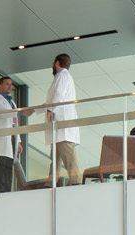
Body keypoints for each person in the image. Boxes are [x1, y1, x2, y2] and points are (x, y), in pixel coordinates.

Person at [44, 53, 80, 185]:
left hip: (63, 122)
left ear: (57, 63)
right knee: (56, 156)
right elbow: (52, 99)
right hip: (59, 123)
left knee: (67, 152)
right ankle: (50, 182)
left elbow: (58, 95)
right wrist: (35, 110)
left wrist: (50, 109)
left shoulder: (63, 76)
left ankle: (75, 181)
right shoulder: (62, 77)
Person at [0, 76, 21, 193]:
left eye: (11, 84)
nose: (10, 86)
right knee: (1, 167)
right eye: (7, 84)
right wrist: (21, 112)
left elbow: (15, 123)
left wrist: (18, 141)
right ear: (0, 86)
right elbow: (3, 114)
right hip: (2, 139)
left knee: (8, 168)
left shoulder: (12, 102)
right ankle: (0, 192)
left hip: (11, 138)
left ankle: (7, 191)